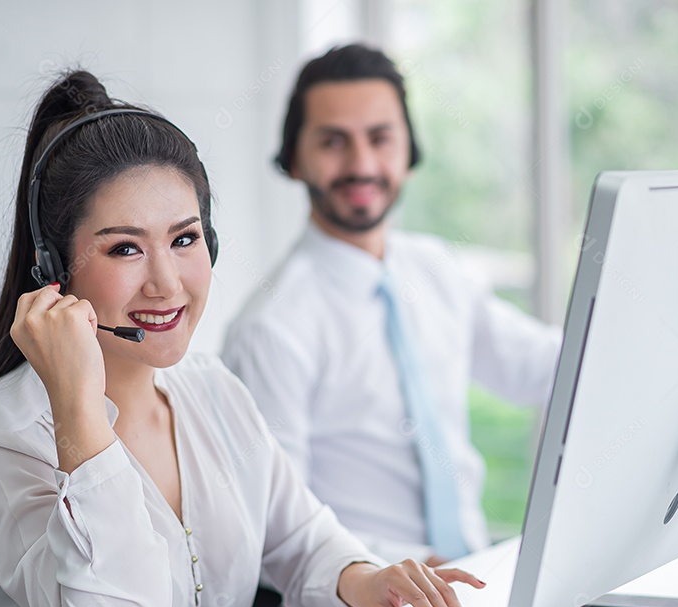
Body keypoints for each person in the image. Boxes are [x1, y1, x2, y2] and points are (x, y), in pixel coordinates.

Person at [0, 70, 484, 607]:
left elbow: (299, 536)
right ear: (53, 271)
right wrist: (79, 415)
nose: (166, 283)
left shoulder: (212, 391)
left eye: (185, 239)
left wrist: (363, 577)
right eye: (126, 248)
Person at [222, 45, 562, 566]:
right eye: (333, 142)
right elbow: (275, 527)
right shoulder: (272, 327)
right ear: (294, 158)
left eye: (380, 138)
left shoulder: (435, 268)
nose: (361, 165)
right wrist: (396, 568)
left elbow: (541, 369)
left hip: (473, 578)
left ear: (409, 151)